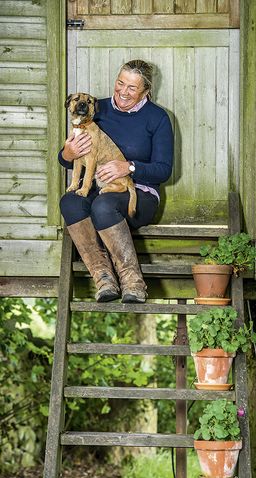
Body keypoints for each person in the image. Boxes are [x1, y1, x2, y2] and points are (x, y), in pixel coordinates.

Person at [58, 60, 174, 304]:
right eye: (120, 83)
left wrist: (129, 166)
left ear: (146, 91)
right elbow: (71, 158)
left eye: (132, 88)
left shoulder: (157, 118)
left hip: (138, 194)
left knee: (103, 205)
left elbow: (163, 170)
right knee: (70, 202)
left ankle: (133, 283)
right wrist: (67, 153)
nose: (123, 91)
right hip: (99, 187)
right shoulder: (93, 107)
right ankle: (103, 278)